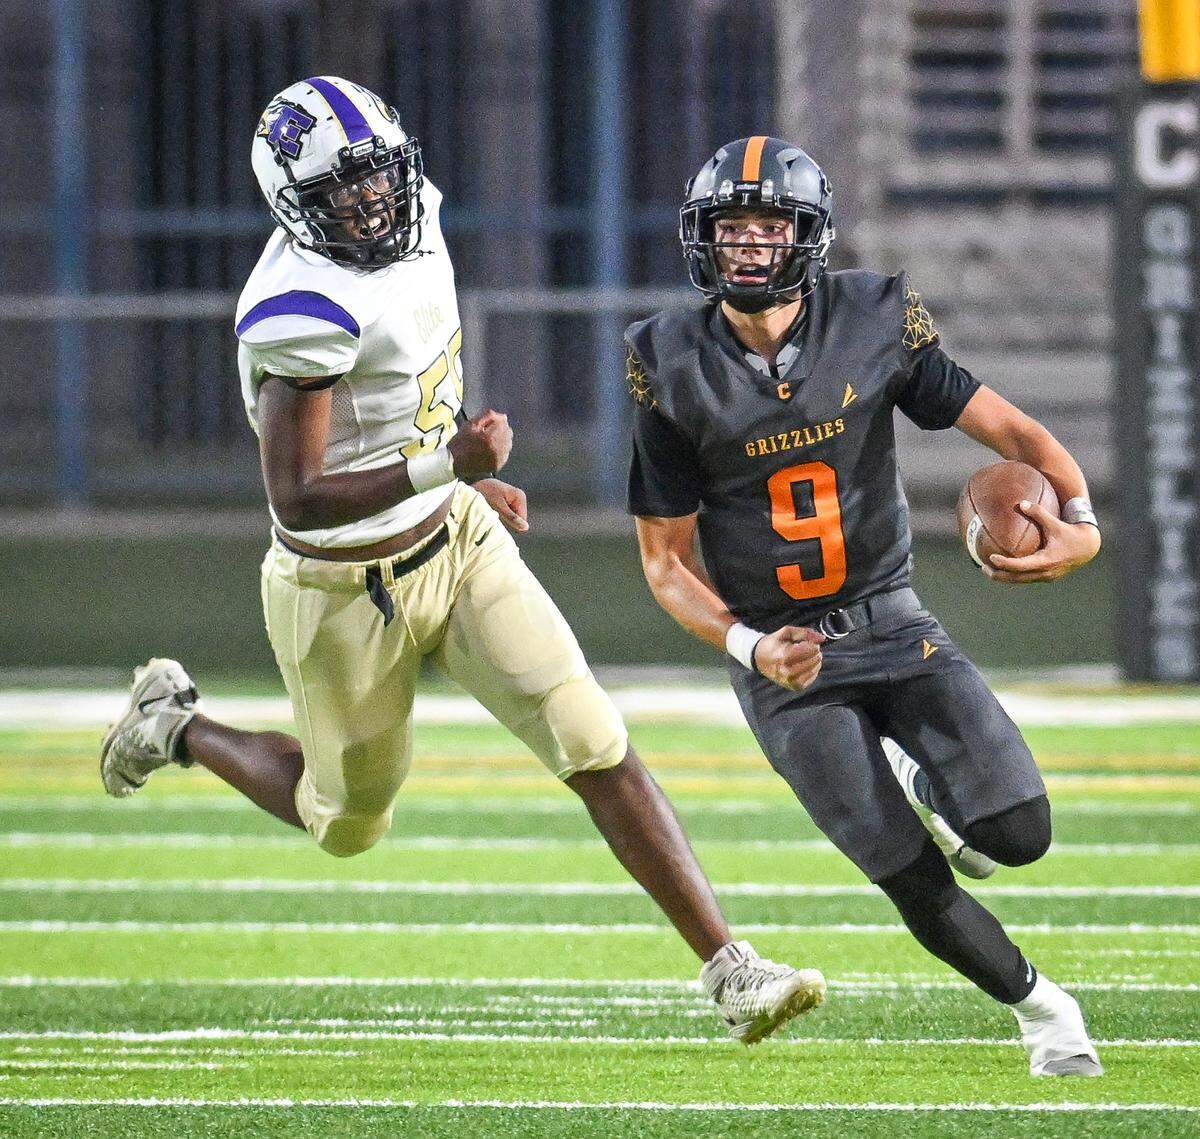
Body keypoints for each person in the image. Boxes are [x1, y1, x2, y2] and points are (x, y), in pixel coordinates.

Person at [99, 80, 826, 1044]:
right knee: (347, 819)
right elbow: (298, 492)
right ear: (289, 201)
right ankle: (177, 725)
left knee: (591, 737)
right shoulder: (297, 307)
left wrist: (460, 484)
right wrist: (452, 461)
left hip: (457, 538)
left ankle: (731, 969)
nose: (372, 204)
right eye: (341, 192)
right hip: (340, 584)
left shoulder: (422, 214)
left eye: (377, 179)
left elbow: (416, 373)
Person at [626, 135, 1104, 1076]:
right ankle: (1046, 1012)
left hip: (891, 619)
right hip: (788, 666)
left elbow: (1011, 430)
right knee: (910, 875)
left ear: (808, 236)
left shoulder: (875, 315)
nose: (749, 246)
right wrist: (749, 645)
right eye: (731, 227)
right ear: (701, 238)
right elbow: (664, 562)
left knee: (1020, 833)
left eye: (770, 226)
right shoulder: (668, 361)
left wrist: (1081, 521)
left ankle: (925, 775)